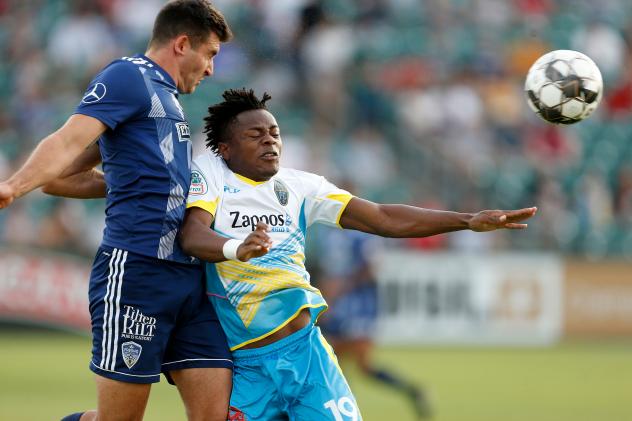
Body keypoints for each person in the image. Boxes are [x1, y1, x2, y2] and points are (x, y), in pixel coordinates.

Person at [178, 88, 537, 420]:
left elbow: (382, 217)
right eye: (255, 135)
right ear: (224, 148)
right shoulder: (211, 173)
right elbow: (192, 235)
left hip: (307, 355)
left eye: (274, 133)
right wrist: (236, 248)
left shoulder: (302, 186)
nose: (270, 140)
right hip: (248, 364)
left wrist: (467, 220)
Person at [0, 2, 234, 421]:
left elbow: (62, 177)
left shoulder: (167, 97)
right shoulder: (129, 76)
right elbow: (68, 144)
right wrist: (14, 186)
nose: (212, 69)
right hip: (137, 271)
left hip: (188, 276)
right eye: (210, 54)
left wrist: (129, 180)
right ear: (183, 44)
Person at [316, 228, 432, 419]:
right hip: (340, 304)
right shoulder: (329, 232)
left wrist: (342, 287)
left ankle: (339, 410)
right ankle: (412, 392)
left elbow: (371, 267)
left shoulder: (362, 233)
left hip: (359, 307)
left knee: (346, 363)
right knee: (341, 363)